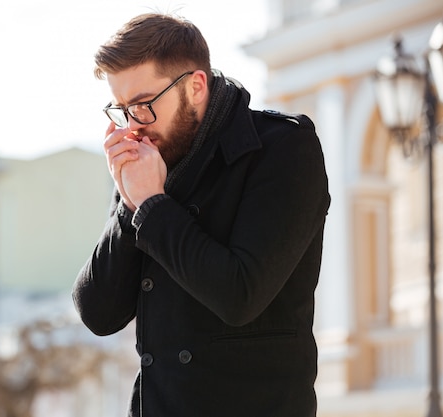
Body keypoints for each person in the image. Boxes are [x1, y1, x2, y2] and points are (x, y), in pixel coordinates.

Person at [72, 12, 330, 417]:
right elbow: (98, 314)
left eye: (142, 105)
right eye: (121, 110)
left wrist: (154, 206)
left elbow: (240, 295)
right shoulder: (147, 165)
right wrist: (129, 205)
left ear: (195, 86)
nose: (133, 128)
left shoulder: (283, 150)